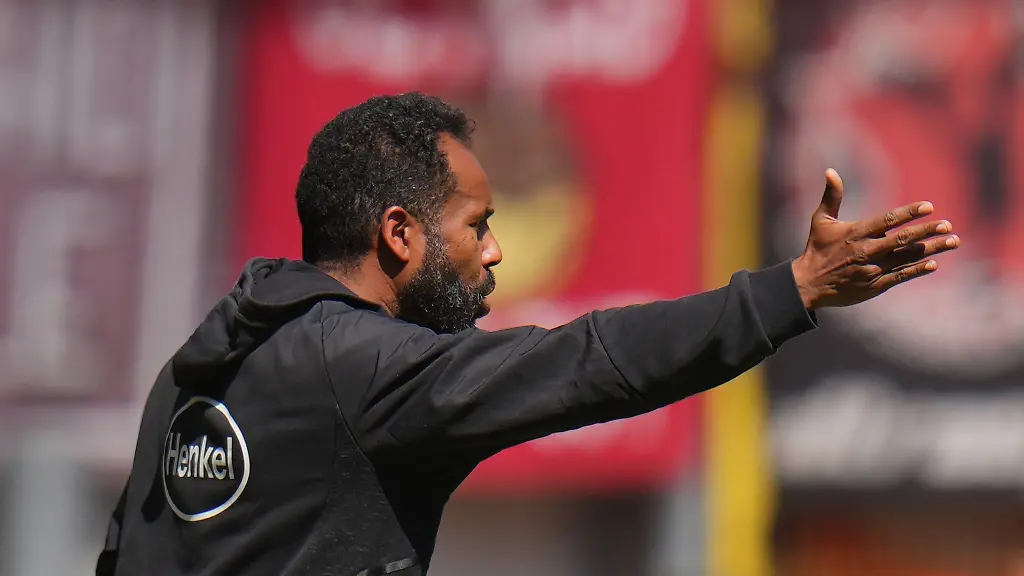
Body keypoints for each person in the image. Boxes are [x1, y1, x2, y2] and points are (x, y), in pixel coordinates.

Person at [96, 92, 959, 576]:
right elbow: (585, 364)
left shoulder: (196, 368)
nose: (495, 250)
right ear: (399, 235)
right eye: (477, 225)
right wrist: (792, 290)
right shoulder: (367, 372)